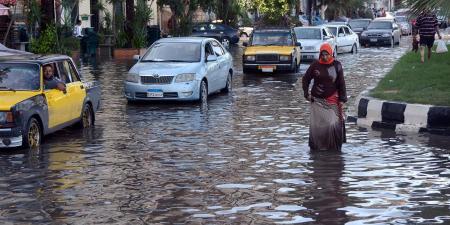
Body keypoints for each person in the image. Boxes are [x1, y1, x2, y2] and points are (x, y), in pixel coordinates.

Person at [302, 43, 347, 151]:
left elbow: (341, 83)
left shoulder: (337, 65)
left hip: (332, 99)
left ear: (331, 53)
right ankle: (318, 147)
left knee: (332, 123)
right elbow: (305, 78)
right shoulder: (315, 65)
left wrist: (342, 99)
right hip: (316, 100)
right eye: (322, 55)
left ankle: (333, 147)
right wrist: (306, 94)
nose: (325, 57)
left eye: (327, 54)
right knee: (318, 125)